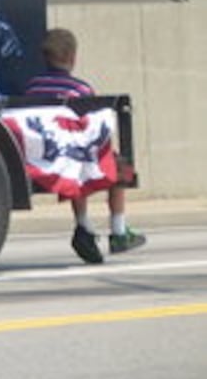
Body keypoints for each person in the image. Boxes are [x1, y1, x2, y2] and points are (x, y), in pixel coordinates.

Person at [25, 27, 146, 263]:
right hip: (71, 157)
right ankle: (119, 231)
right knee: (107, 160)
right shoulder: (80, 90)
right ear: (72, 57)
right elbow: (93, 130)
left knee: (74, 161)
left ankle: (84, 225)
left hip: (41, 158)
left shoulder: (32, 87)